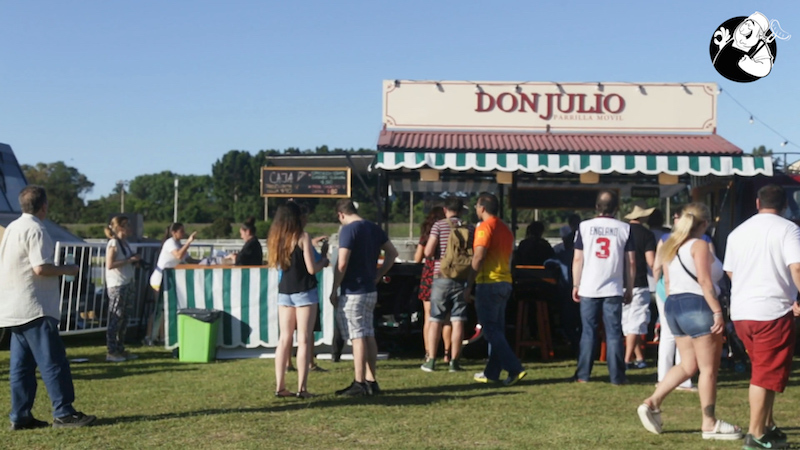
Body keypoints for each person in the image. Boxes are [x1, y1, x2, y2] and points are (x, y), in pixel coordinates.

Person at [637, 203, 742, 440]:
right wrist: (717, 311)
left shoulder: (671, 244)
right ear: (704, 224)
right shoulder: (699, 245)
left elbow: (667, 280)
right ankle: (709, 422)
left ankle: (652, 401)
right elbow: (705, 281)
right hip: (698, 304)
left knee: (688, 364)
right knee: (708, 369)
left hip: (674, 304)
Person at [0, 186, 96, 429]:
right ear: (44, 206)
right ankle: (64, 412)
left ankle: (20, 415)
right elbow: (40, 267)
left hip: (13, 307)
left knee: (21, 367)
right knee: (53, 361)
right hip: (35, 306)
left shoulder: (12, 228)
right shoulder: (36, 229)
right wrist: (68, 269)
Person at [724, 185, 800, 449]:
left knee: (763, 371)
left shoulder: (738, 232)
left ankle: (767, 425)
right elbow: (797, 267)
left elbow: (731, 271)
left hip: (742, 311)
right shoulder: (788, 229)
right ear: (785, 205)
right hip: (772, 310)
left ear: (758, 203)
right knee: (764, 375)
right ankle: (756, 433)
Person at [330, 199, 398, 396]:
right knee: (368, 333)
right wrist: (379, 274)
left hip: (353, 290)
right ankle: (371, 379)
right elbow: (392, 253)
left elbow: (342, 263)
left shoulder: (348, 230)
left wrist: (334, 288)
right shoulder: (373, 228)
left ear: (341, 214)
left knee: (357, 335)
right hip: (369, 289)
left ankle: (359, 382)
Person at [571, 190, 634, 385]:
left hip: (589, 286)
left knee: (588, 331)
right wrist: (629, 287)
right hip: (613, 287)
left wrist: (576, 284)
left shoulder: (584, 227)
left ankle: (583, 374)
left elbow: (578, 259)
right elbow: (631, 262)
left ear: (597, 207)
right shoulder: (625, 228)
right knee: (614, 332)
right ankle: (617, 376)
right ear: (616, 208)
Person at [268, 202, 329, 399]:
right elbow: (311, 269)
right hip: (304, 291)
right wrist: (323, 261)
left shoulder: (277, 238)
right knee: (303, 340)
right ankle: (302, 388)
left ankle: (280, 386)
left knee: (284, 339)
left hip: (284, 292)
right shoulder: (302, 237)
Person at [468, 192, 526, 386]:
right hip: (504, 281)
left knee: (490, 329)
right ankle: (492, 372)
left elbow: (479, 256)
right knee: (497, 330)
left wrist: (469, 283)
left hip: (489, 282)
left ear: (482, 208)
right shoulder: (505, 229)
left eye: (477, 206)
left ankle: (514, 367)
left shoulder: (485, 227)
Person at [421, 197, 473, 372]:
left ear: (445, 209)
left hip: (441, 276)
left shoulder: (439, 225)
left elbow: (428, 251)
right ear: (462, 210)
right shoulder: (469, 228)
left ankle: (431, 360)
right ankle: (454, 362)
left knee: (436, 319)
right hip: (462, 277)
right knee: (458, 320)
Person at [652, 207, 700, 392]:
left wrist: (659, 287)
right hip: (687, 291)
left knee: (668, 335)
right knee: (685, 335)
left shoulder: (666, 240)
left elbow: (657, 267)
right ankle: (683, 379)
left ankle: (663, 377)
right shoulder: (701, 241)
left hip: (665, 291)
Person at [145, 222, 199, 346]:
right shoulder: (170, 243)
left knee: (165, 309)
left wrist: (204, 262)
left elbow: (188, 259)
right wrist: (189, 242)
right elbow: (179, 255)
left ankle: (162, 337)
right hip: (159, 280)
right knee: (159, 309)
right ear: (174, 232)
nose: (184, 233)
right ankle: (149, 336)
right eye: (181, 231)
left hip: (167, 280)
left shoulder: (179, 244)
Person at [414, 207, 451, 363]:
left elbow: (417, 258)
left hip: (429, 275)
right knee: (447, 317)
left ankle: (429, 353)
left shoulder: (427, 235)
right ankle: (448, 354)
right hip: (447, 273)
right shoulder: (450, 232)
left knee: (429, 316)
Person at [622, 205, 656, 370]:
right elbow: (651, 261)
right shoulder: (647, 234)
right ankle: (627, 359)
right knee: (636, 323)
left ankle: (639, 358)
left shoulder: (622, 232)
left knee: (627, 323)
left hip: (621, 282)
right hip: (640, 282)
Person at [104, 215, 141, 362]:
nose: (130, 228)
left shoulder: (125, 243)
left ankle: (120, 348)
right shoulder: (114, 243)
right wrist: (129, 260)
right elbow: (110, 264)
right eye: (127, 225)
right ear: (120, 227)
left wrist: (133, 262)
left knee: (125, 318)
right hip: (117, 284)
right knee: (116, 317)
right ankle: (111, 351)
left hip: (127, 281)